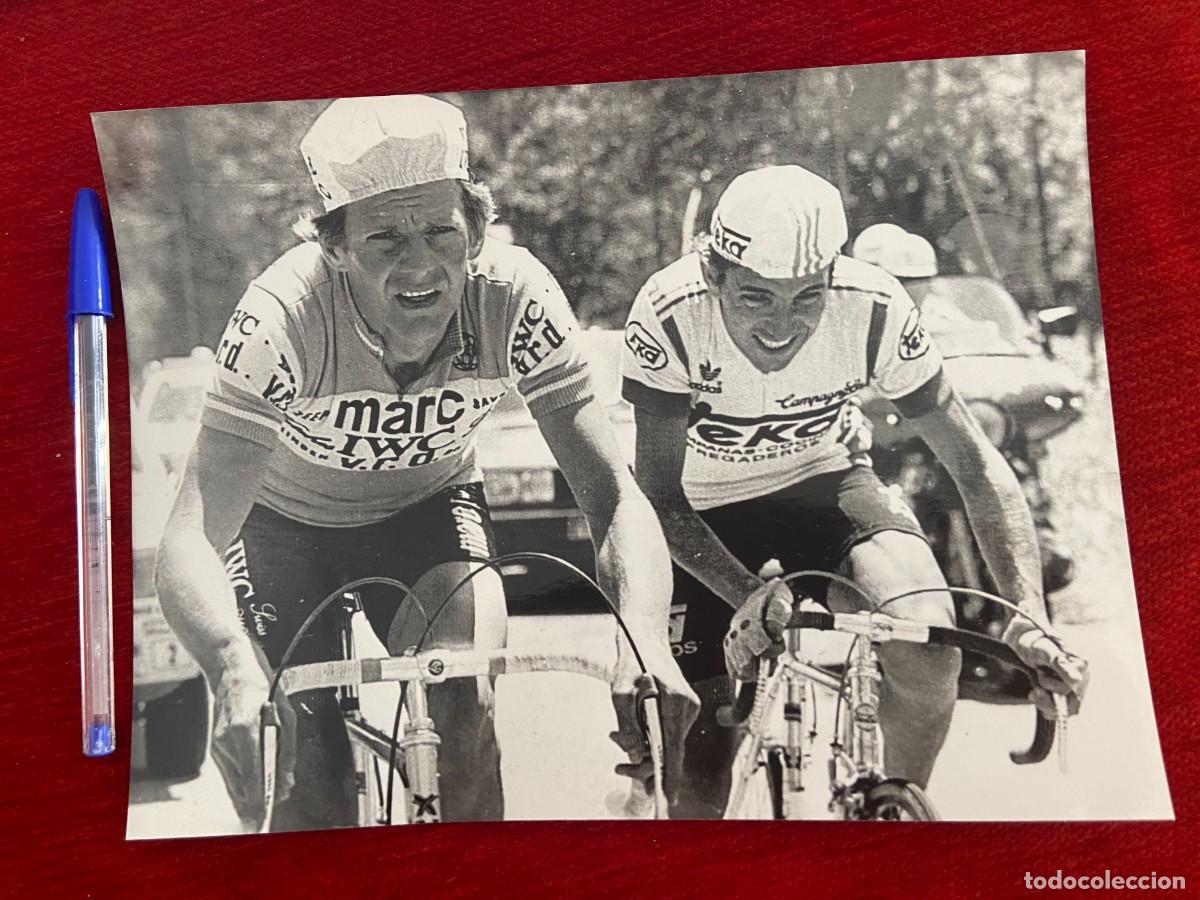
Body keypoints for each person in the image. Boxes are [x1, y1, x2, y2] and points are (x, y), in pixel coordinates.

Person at [156, 94, 698, 831]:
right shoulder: (279, 321)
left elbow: (614, 498)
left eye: (442, 232)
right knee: (302, 770)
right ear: (335, 249)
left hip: (428, 513)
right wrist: (228, 666)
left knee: (464, 701)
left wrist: (647, 639)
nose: (421, 267)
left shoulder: (514, 298)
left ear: (474, 233)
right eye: (384, 240)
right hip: (282, 528)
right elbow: (188, 538)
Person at [620, 165, 1089, 817]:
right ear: (713, 276)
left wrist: (1027, 614)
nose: (782, 328)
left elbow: (977, 467)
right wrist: (745, 596)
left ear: (833, 279)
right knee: (700, 776)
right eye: (756, 298)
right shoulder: (670, 313)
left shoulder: (873, 305)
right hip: (701, 512)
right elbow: (658, 500)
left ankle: (889, 814)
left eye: (806, 298)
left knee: (928, 650)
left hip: (825, 486)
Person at [852, 223, 1076, 595]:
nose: (910, 288)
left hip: (950, 419)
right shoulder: (850, 319)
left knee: (1015, 463)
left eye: (918, 279)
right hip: (891, 437)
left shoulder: (948, 314)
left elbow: (992, 342)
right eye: (897, 279)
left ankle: (1041, 540)